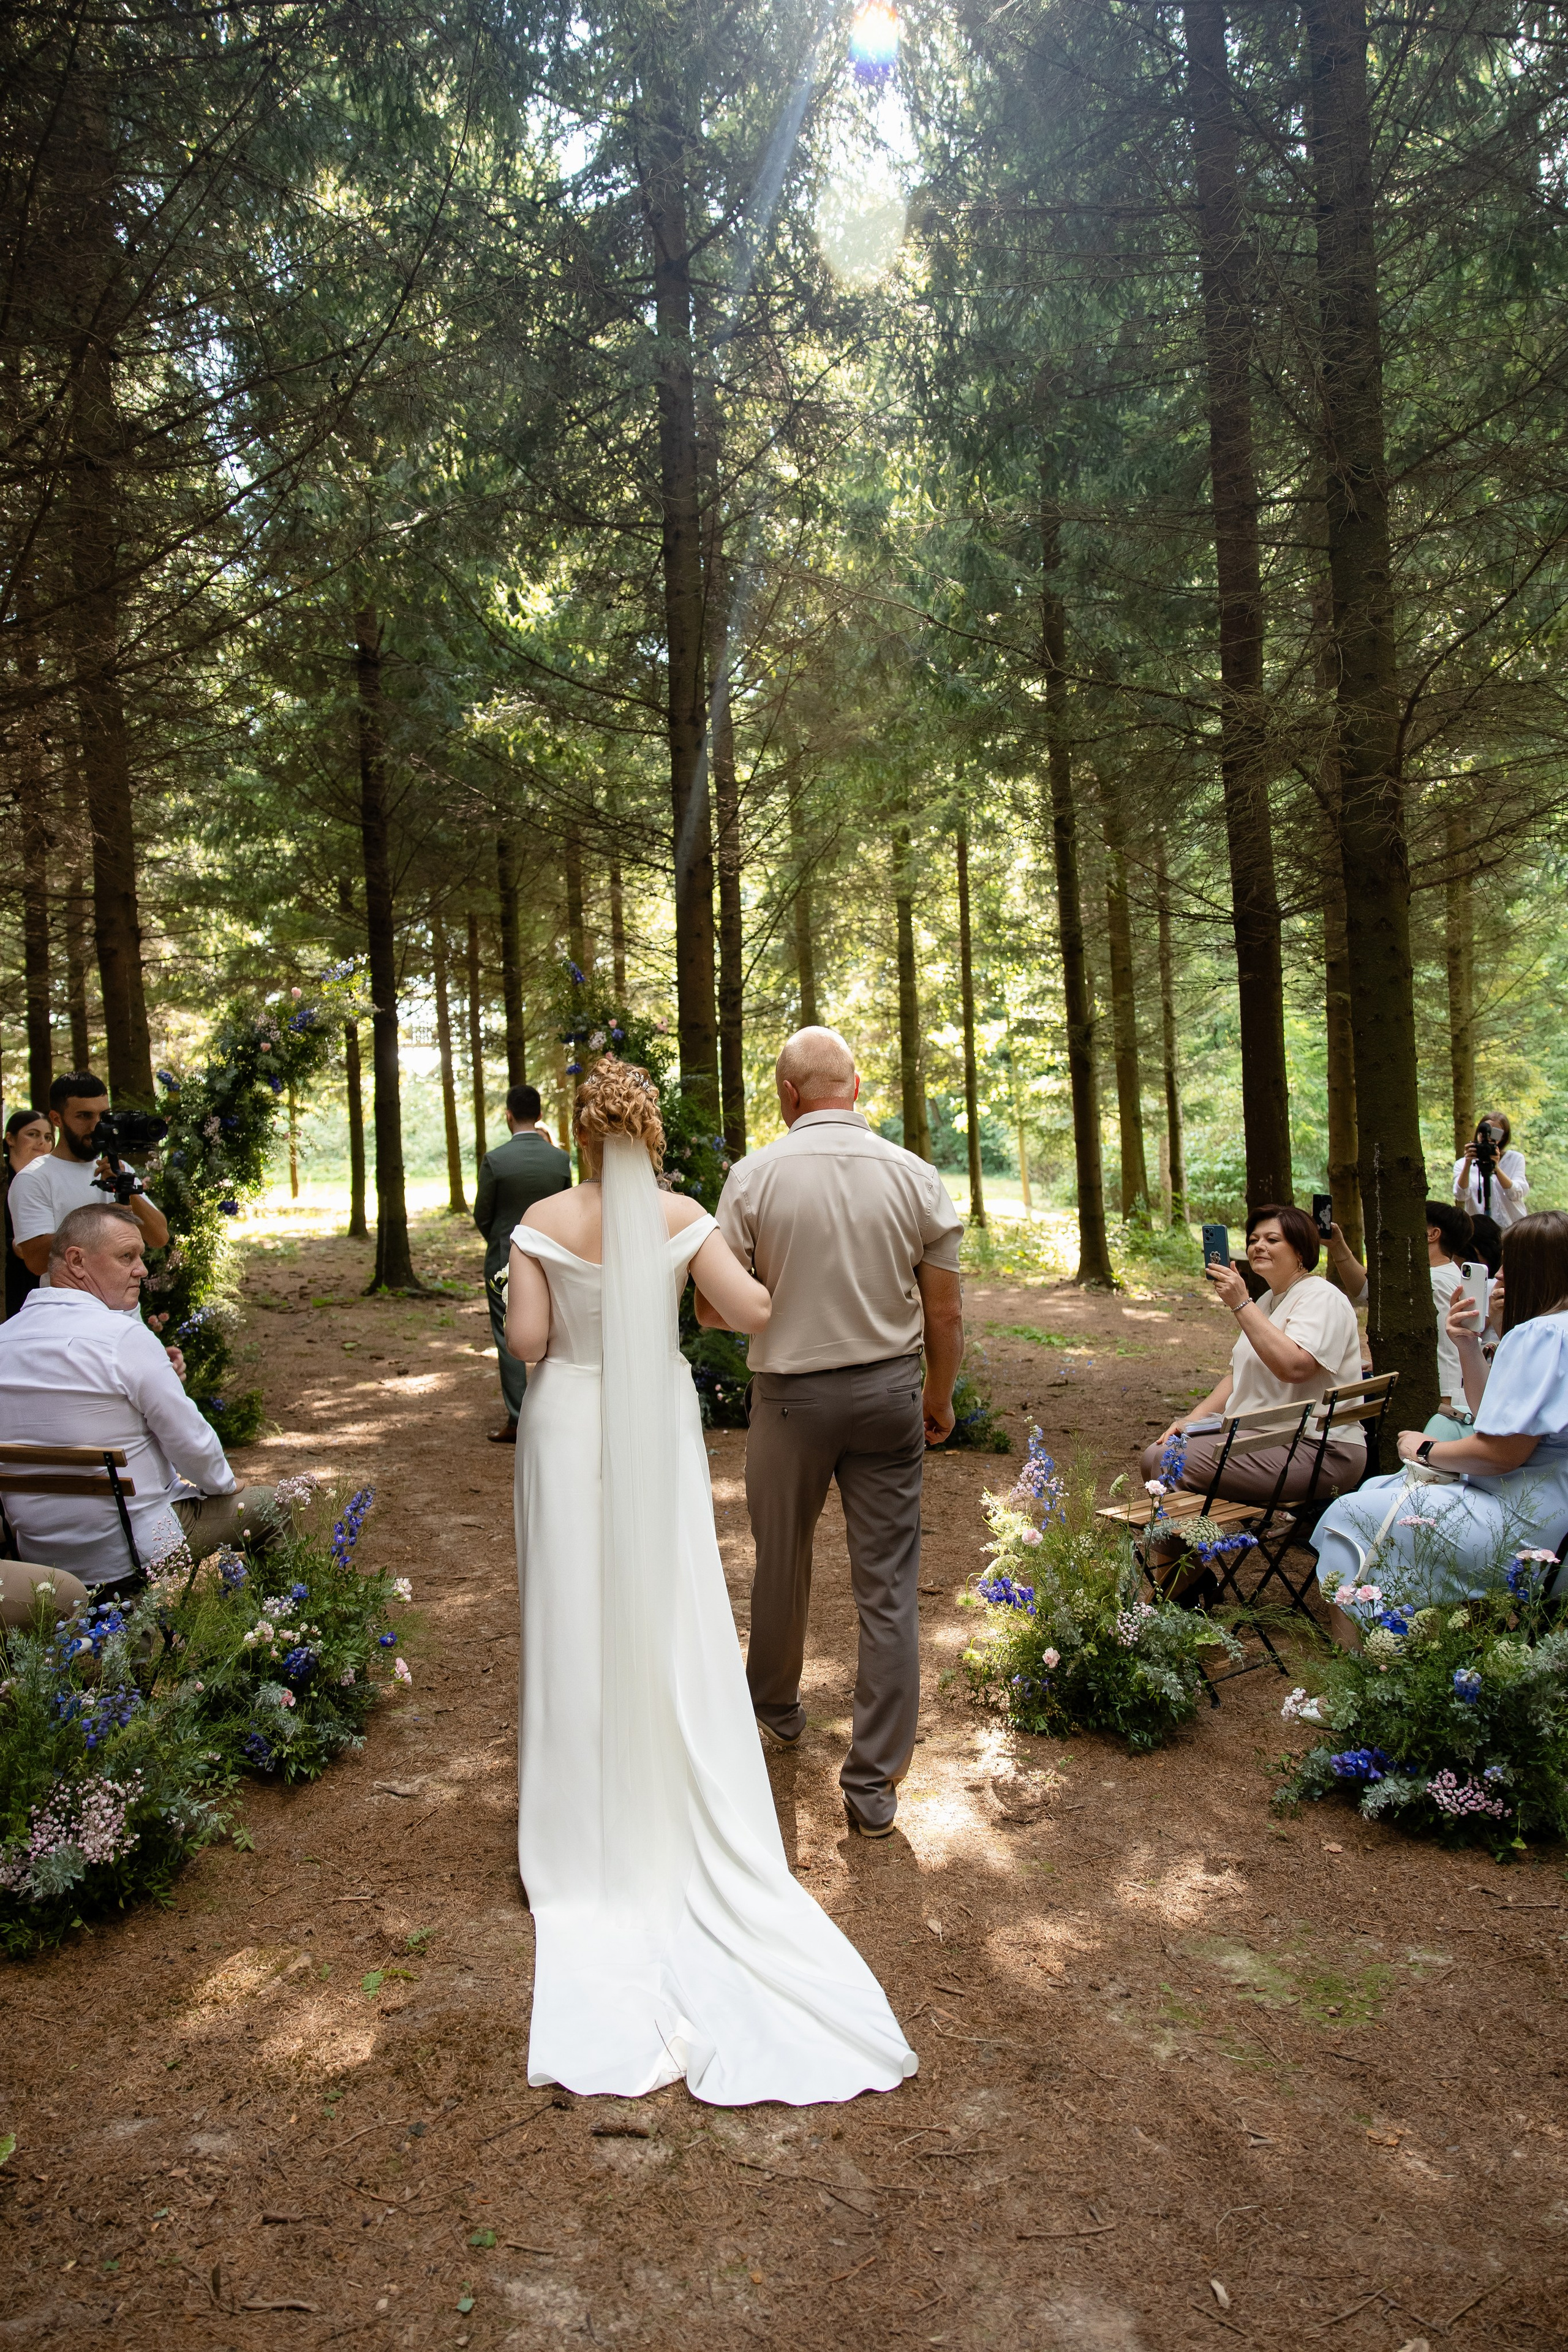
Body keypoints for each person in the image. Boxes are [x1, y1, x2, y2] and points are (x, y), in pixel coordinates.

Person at [505, 1055, 916, 2105]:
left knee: (576, 1609)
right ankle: (677, 1778)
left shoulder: (541, 1219)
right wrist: (693, 1302)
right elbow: (750, 1314)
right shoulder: (684, 1214)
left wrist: (531, 1299)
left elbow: (531, 1341)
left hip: (567, 1426)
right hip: (652, 1418)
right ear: (647, 1131)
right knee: (667, 1599)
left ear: (579, 1132)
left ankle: (581, 1815)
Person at [707, 1026, 965, 1840]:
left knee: (780, 1559)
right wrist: (940, 1395)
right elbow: (945, 1308)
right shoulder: (916, 1176)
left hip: (788, 1398)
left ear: (787, 1095)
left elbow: (717, 1303)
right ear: (856, 1087)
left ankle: (777, 1711)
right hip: (890, 1392)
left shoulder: (752, 1178)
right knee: (887, 1585)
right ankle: (873, 1783)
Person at [0, 1204, 292, 1588]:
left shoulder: (6, 1338)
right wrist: (220, 1483)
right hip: (131, 1545)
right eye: (127, 1257)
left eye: (141, 1256)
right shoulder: (123, 1338)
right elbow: (190, 1440)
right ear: (76, 1261)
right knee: (273, 1507)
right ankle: (283, 1632)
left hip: (39, 1559)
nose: (142, 1269)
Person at [1311, 1209, 1568, 1632]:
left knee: (1351, 1514)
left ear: (1540, 1272)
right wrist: (1469, 1344)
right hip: (1554, 1515)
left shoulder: (1538, 1334)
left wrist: (1427, 1449)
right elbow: (1497, 1420)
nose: (1499, 1275)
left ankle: (1360, 1666)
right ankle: (1415, 1642)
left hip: (1524, 1527)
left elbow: (1503, 1452)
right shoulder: (1551, 1330)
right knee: (1381, 1488)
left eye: (1511, 1263)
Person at [1140, 1203, 1365, 1506]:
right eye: (1254, 1240)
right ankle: (1191, 1545)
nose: (1259, 1246)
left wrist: (1240, 1303)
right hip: (1264, 1437)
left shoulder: (1322, 1297)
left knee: (1173, 1462)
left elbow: (1295, 1368)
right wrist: (1190, 1421)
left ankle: (1177, 1553)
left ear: (1301, 1252)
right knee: (1155, 1455)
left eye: (1272, 1240)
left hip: (1319, 1448)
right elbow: (1237, 1377)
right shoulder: (1267, 1300)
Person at [472, 1082, 571, 1444]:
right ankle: (555, 1412)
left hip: (505, 1256)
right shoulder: (559, 1161)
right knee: (559, 1331)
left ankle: (517, 1418)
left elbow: (483, 1214)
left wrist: (501, 1240)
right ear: (540, 1115)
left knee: (508, 1336)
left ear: (509, 1115)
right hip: (557, 1257)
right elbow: (569, 1207)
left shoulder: (495, 1160)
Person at [1323, 1199, 1479, 1423]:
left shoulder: (1433, 1281)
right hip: (1446, 1391)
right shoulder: (1443, 1276)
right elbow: (1368, 1289)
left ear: (1432, 1234)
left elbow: (1443, 1347)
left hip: (1440, 1395)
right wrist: (1338, 1246)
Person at [9, 1070, 168, 1284]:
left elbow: (159, 1237)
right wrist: (105, 1222)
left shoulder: (117, 1168)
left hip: (127, 1315)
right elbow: (37, 1261)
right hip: (71, 1312)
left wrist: (128, 1193)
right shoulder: (34, 1178)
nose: (96, 1126)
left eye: (103, 1116)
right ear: (57, 1119)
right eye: (84, 1116)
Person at [3, 1106, 53, 1319]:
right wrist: (12, 1245)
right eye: (33, 1134)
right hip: (9, 1279)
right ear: (10, 1139)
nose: (42, 1142)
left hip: (45, 1280)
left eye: (48, 1137)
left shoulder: (52, 1181)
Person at [1455, 1111, 1529, 1231]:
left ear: (1503, 1136)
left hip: (1515, 1228)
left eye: (1496, 1133)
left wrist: (1497, 1168)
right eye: (1485, 1131)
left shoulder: (1515, 1159)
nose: (1489, 1136)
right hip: (1480, 1231)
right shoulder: (1462, 1164)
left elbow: (1516, 1194)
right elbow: (1461, 1196)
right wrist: (1468, 1163)